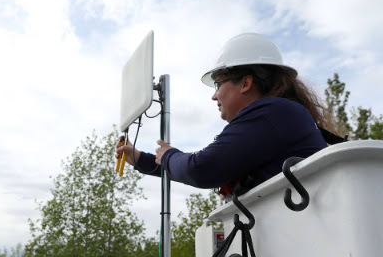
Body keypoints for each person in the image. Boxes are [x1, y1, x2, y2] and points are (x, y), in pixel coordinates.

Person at [116, 33, 343, 196]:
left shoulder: (273, 114)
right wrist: (141, 160)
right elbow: (211, 165)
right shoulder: (277, 119)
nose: (214, 97)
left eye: (218, 85)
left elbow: (201, 168)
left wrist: (167, 156)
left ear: (245, 83)